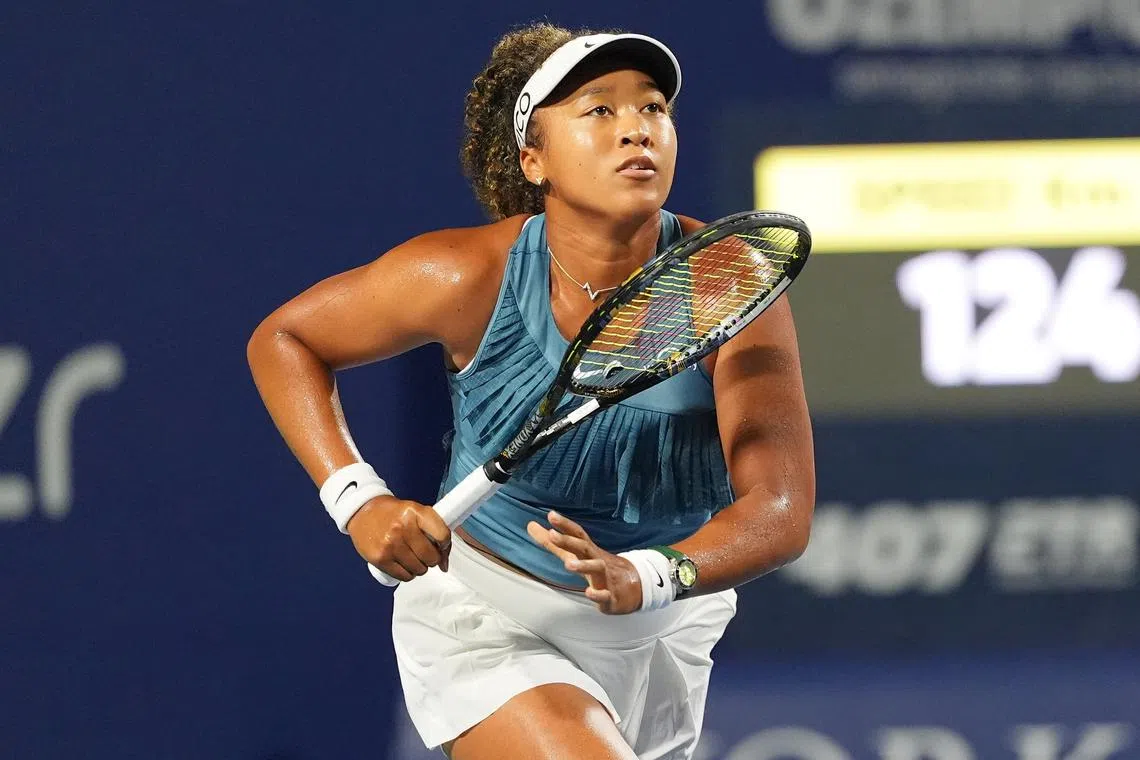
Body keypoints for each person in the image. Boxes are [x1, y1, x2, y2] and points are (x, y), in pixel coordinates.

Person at [247, 22, 815, 760]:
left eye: (653, 109)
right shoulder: (464, 275)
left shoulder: (727, 285)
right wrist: (357, 498)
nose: (636, 130)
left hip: (661, 633)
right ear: (533, 158)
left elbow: (781, 509)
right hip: (487, 618)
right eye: (599, 111)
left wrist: (651, 572)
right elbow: (286, 340)